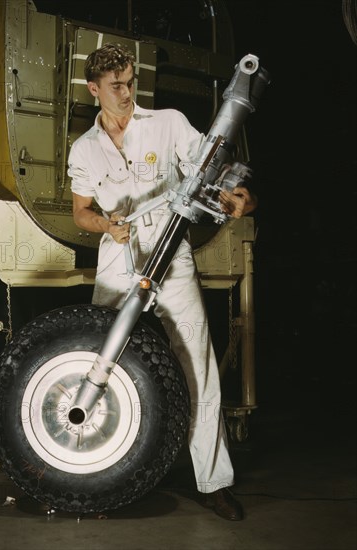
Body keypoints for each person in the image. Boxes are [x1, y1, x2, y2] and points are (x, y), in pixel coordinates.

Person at [68, 43, 257, 521]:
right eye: (116, 86)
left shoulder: (168, 122)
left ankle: (212, 482)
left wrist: (237, 194)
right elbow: (81, 213)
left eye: (130, 82)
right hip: (118, 260)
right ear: (94, 90)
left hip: (171, 256)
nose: (127, 92)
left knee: (197, 365)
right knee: (100, 362)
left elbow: (210, 166)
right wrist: (107, 226)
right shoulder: (84, 148)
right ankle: (93, 474)